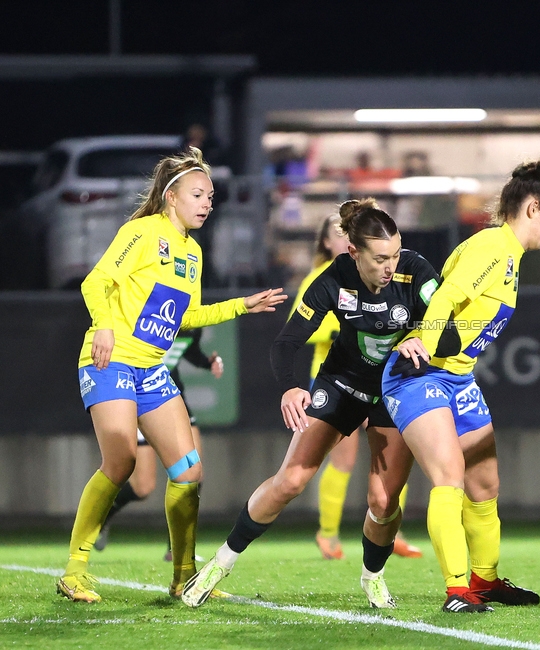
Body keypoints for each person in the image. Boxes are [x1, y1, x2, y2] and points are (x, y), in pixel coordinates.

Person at [181, 199, 439, 609]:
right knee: (291, 481)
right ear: (352, 252)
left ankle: (373, 577)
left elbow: (455, 331)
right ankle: (219, 564)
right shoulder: (331, 278)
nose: (391, 266)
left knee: (383, 501)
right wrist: (289, 387)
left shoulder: (417, 271)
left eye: (395, 254)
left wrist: (424, 337)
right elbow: (285, 344)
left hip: (396, 389)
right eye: (380, 258)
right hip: (343, 383)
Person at [58, 147, 286, 603]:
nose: (207, 203)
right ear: (171, 198)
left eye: (211, 196)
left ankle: (185, 575)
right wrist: (103, 324)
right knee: (121, 460)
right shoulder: (142, 232)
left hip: (151, 369)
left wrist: (243, 304)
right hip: (112, 358)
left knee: (189, 470)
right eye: (198, 194)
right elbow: (95, 281)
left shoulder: (193, 252)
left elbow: (187, 317)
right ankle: (75, 570)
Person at [379, 156, 540, 613]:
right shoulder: (492, 246)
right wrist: (426, 343)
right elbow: (447, 297)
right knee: (449, 476)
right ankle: (456, 591)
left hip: (457, 375)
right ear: (532, 208)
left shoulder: (509, 255)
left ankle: (484, 580)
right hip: (419, 372)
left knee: (485, 484)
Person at [301, 214, 422, 561]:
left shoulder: (384, 279)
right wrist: (351, 327)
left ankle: (391, 532)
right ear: (328, 244)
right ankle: (327, 534)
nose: (345, 241)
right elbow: (310, 326)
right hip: (338, 379)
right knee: (343, 459)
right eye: (337, 237)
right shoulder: (323, 278)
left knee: (394, 456)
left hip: (382, 379)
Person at [94, 327, 224, 562]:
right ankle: (100, 519)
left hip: (174, 400)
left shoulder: (192, 318)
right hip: (143, 400)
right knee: (142, 486)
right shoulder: (152, 313)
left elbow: (188, 350)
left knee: (193, 474)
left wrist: (208, 362)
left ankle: (176, 548)